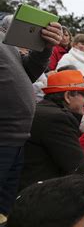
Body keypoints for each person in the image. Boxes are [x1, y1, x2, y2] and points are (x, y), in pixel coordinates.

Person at [0, 17, 62, 215]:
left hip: (15, 140)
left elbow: (28, 73)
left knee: (4, 212)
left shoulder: (4, 39)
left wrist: (46, 47)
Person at [19, 70, 84, 190]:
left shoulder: (44, 111)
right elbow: (77, 166)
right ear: (68, 96)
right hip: (40, 193)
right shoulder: (57, 119)